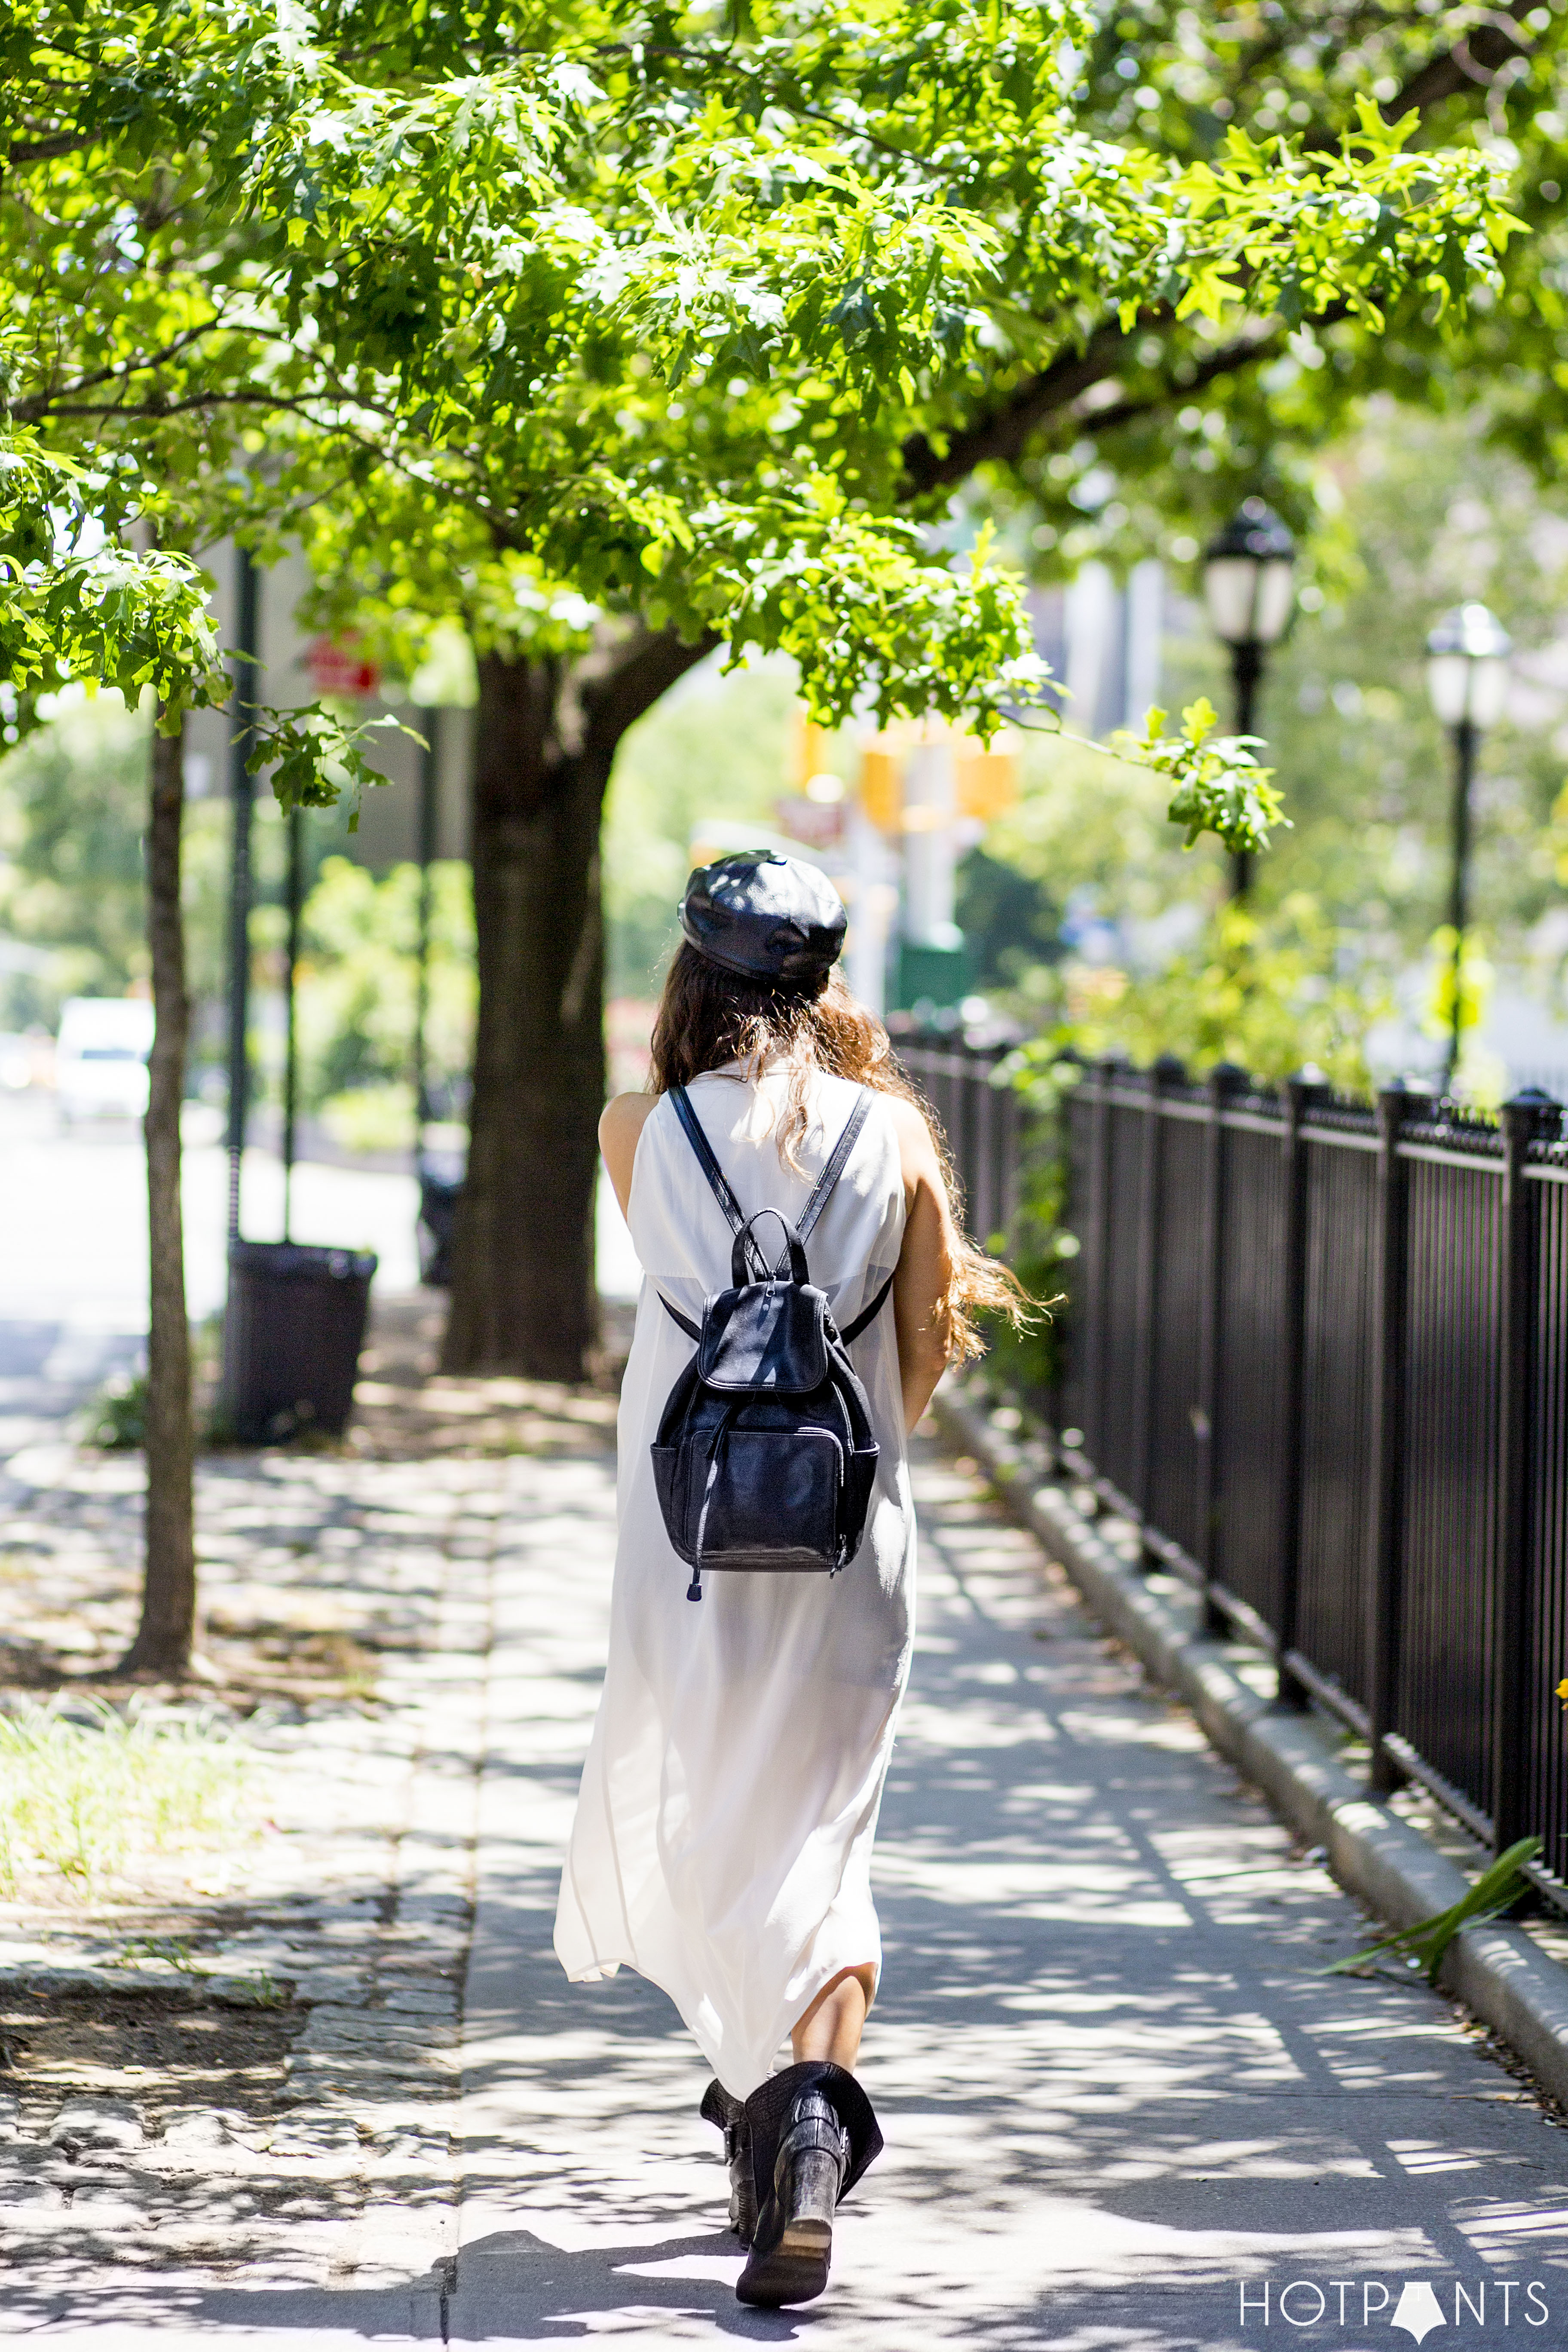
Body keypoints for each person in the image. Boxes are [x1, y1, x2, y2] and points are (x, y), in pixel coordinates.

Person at [554, 849, 1026, 2308]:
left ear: (696, 975)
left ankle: (775, 2122)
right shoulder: (892, 1137)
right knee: (823, 1846)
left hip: (685, 1545)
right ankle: (802, 2126)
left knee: (713, 1817)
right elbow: (936, 1329)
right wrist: (865, 1439)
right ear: (827, 984)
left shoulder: (639, 1128)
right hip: (846, 1541)